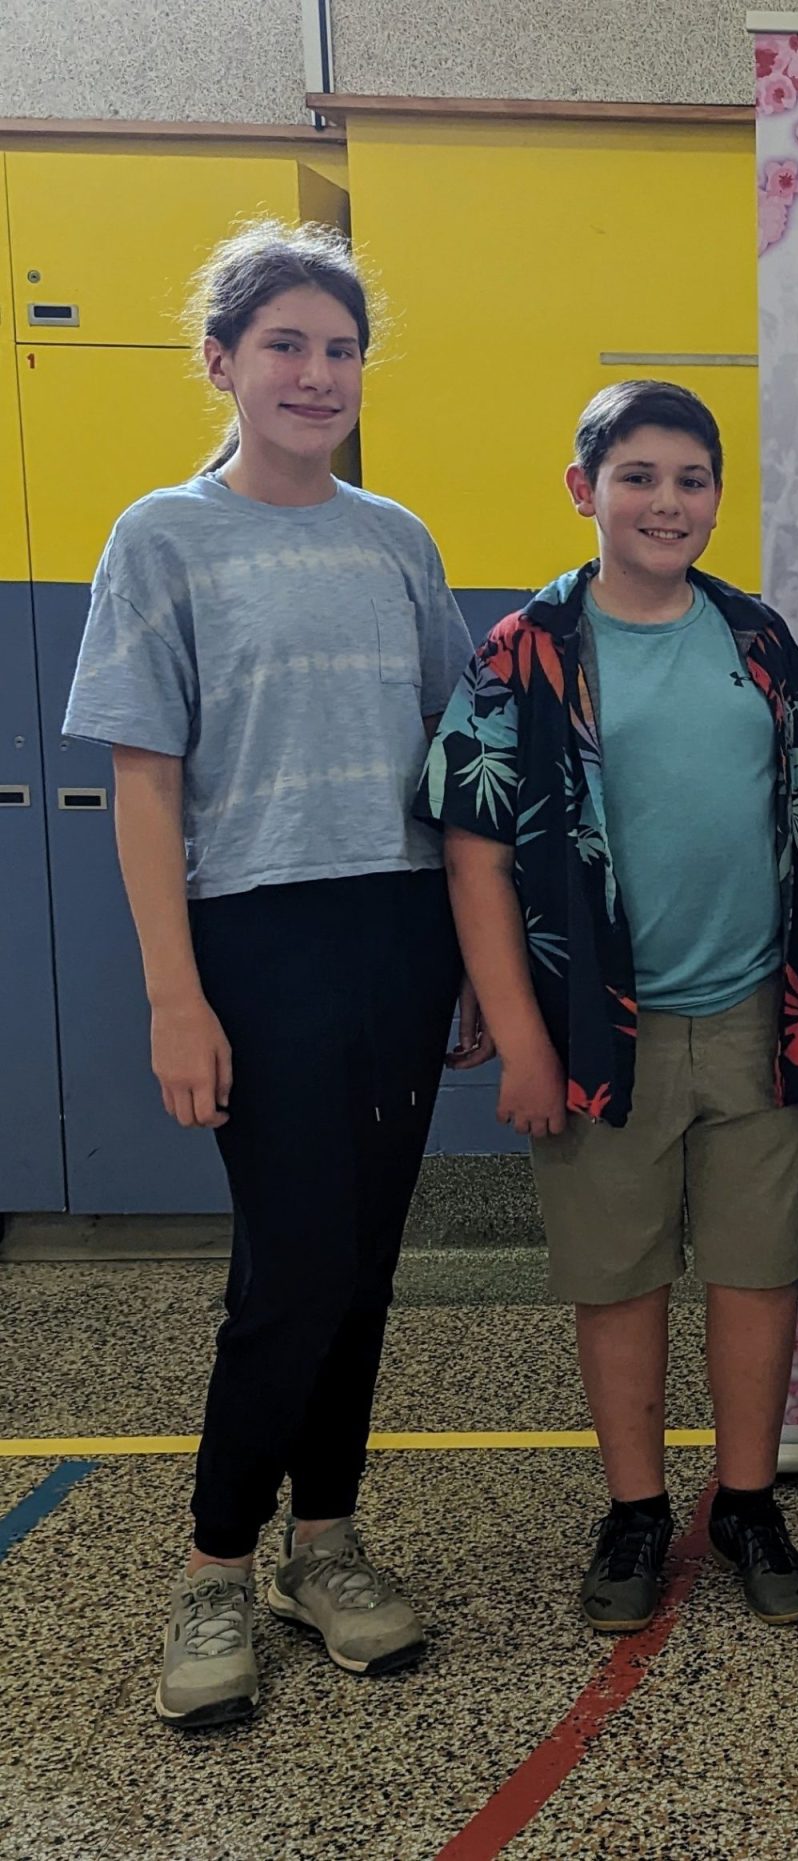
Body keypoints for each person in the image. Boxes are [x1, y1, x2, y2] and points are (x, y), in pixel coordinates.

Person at [63, 223, 486, 1729]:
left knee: (363, 1260)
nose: (317, 374)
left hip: (399, 929)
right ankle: (215, 1566)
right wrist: (178, 995)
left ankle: (327, 1544)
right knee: (291, 1265)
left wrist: (478, 963)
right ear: (223, 361)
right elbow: (145, 784)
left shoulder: (398, 539)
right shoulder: (162, 537)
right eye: (286, 345)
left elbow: (454, 762)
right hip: (256, 934)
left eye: (340, 348)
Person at [419, 381, 798, 1632]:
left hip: (756, 1017)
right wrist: (522, 1038)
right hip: (598, 1034)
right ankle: (635, 1508)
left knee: (758, 1270)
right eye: (639, 477)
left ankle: (748, 1502)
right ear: (584, 490)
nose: (668, 502)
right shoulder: (525, 652)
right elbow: (474, 855)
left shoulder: (757, 639)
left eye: (691, 480)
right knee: (617, 1277)